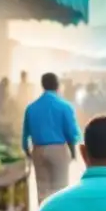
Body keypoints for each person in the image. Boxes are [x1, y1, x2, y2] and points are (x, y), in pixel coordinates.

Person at [22, 73, 80, 204]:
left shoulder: (31, 108)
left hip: (38, 150)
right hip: (58, 150)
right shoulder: (64, 106)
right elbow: (71, 133)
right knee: (60, 190)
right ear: (57, 85)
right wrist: (73, 152)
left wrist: (28, 152)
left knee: (42, 191)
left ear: (42, 86)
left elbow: (25, 135)